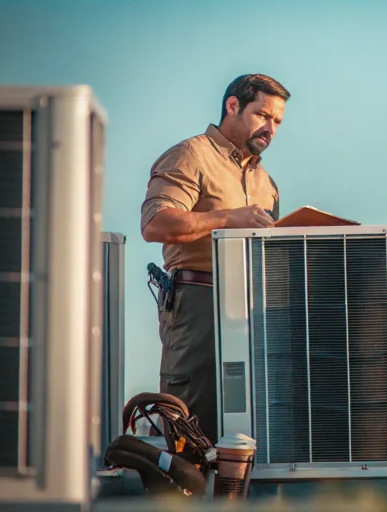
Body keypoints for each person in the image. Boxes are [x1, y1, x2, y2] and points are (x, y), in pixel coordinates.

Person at [140, 73, 291, 441]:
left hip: (253, 310)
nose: (270, 128)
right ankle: (183, 498)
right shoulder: (191, 155)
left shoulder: (266, 183)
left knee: (248, 429)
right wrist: (228, 218)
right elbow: (155, 223)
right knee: (189, 421)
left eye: (277, 122)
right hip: (197, 304)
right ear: (233, 106)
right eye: (263, 115)